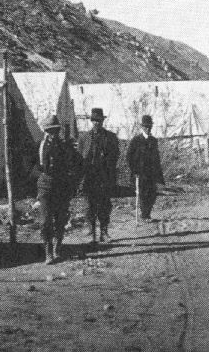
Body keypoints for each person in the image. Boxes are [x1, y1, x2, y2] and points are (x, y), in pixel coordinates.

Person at [35, 115, 78, 264]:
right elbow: (33, 165)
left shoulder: (65, 146)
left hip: (61, 187)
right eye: (49, 130)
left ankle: (57, 248)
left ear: (58, 130)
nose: (52, 133)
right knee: (45, 221)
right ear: (45, 131)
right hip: (45, 186)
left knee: (60, 220)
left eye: (55, 130)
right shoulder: (40, 146)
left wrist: (71, 184)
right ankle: (48, 251)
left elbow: (74, 165)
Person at [78, 108, 120, 244]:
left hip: (104, 177)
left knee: (104, 206)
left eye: (99, 120)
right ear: (91, 121)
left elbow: (115, 157)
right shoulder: (84, 137)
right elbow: (79, 158)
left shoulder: (111, 137)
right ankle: (92, 233)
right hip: (89, 177)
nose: (96, 123)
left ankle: (104, 232)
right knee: (90, 207)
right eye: (94, 120)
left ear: (103, 121)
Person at [127, 115, 164, 221]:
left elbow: (156, 158)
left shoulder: (153, 141)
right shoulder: (136, 140)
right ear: (142, 127)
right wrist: (135, 170)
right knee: (143, 194)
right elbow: (129, 157)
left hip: (151, 173)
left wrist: (158, 172)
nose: (148, 129)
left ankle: (147, 213)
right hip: (140, 173)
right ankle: (144, 215)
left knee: (152, 194)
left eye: (149, 126)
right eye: (146, 127)